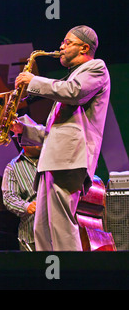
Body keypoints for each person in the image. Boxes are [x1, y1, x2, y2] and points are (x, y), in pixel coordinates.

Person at [10, 25, 111, 251]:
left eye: (67, 42)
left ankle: (72, 278)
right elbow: (51, 134)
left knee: (61, 230)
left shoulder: (96, 68)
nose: (61, 47)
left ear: (84, 47)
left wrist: (33, 81)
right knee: (43, 231)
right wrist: (21, 129)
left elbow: (73, 92)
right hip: (54, 160)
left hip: (69, 160)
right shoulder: (71, 78)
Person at [2, 145, 41, 251]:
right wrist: (26, 206)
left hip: (58, 232)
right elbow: (8, 197)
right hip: (31, 236)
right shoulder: (12, 167)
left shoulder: (53, 159)